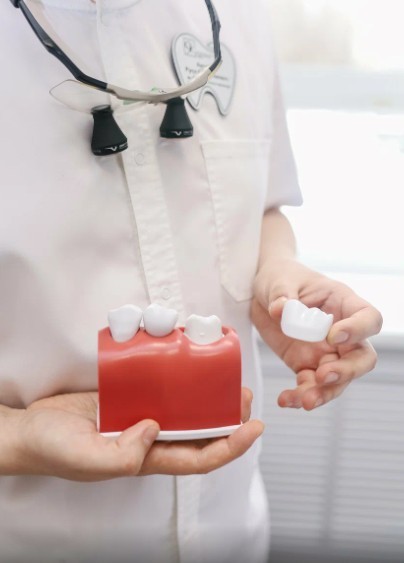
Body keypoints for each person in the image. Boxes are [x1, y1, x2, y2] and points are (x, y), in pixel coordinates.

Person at [0, 0, 382, 562]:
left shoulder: (239, 16)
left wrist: (277, 273)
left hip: (233, 533)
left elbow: (262, 206)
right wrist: (16, 437)